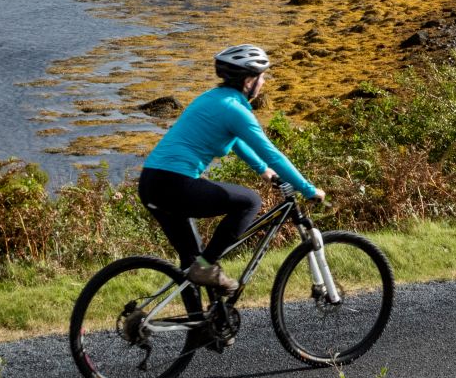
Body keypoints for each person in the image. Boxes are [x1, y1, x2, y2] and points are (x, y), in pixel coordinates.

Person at [137, 44, 322, 291]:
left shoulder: (212, 98)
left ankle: (198, 326)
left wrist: (263, 171)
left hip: (152, 182)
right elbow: (273, 154)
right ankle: (207, 265)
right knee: (250, 202)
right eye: (262, 76)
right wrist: (308, 189)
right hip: (176, 184)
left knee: (189, 264)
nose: (264, 82)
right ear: (248, 80)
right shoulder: (236, 110)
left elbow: (235, 142)